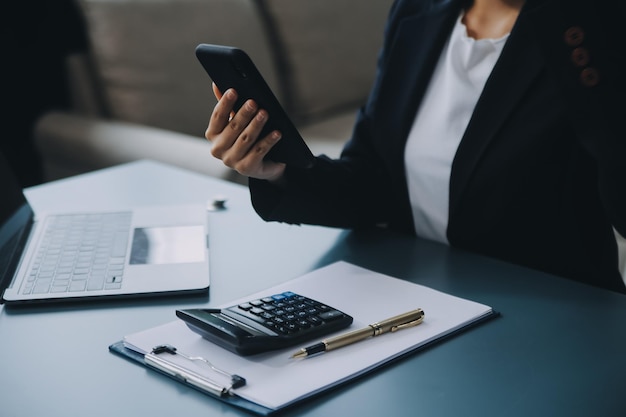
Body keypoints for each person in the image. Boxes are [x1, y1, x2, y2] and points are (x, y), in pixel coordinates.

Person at [205, 0, 626, 293]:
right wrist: (276, 169)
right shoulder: (418, 12)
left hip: (554, 313)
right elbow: (371, 182)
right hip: (418, 300)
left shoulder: (588, 31)